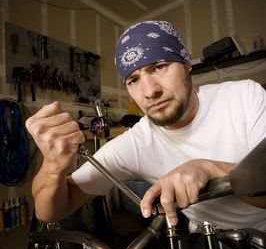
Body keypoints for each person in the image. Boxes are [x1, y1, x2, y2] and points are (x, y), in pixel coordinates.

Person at [26, 20, 266, 232]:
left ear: (186, 64)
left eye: (159, 67)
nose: (150, 91)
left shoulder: (244, 96)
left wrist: (208, 167)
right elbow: (50, 212)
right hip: (212, 241)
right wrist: (53, 167)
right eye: (134, 79)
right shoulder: (136, 144)